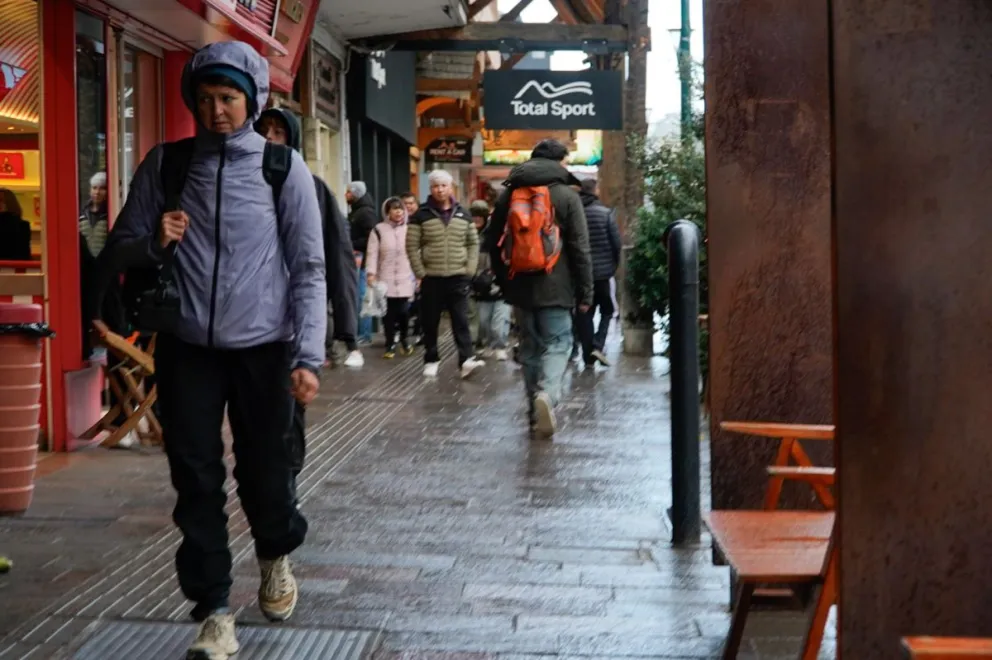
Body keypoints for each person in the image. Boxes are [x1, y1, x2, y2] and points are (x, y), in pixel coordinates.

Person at [102, 41, 326, 660]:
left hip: (264, 349)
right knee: (195, 479)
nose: (216, 110)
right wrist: (155, 239)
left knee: (267, 472)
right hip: (186, 347)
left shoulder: (283, 168)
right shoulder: (167, 165)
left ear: (251, 100)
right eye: (204, 99)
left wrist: (307, 356)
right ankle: (215, 611)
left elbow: (308, 266)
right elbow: (120, 245)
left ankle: (276, 551)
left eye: (228, 98)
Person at [489, 139, 593, 437]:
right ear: (560, 161)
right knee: (559, 343)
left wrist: (504, 282)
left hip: (520, 285)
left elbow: (494, 243)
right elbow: (580, 249)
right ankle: (548, 394)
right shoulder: (567, 196)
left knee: (531, 347)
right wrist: (585, 293)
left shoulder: (509, 193)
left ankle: (534, 412)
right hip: (557, 288)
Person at [254, 108, 361, 371]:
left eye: (278, 133)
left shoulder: (312, 188)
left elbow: (336, 254)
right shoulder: (235, 181)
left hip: (291, 310)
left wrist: (345, 327)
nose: (268, 138)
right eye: (263, 130)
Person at [406, 170, 484, 379]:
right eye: (435, 186)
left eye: (443, 185)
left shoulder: (464, 213)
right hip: (432, 276)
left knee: (461, 319)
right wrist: (420, 272)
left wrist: (469, 269)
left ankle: (466, 359)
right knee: (430, 321)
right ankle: (431, 358)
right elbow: (412, 246)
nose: (439, 190)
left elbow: (473, 244)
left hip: (458, 276)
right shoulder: (420, 215)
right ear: (430, 189)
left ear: (451, 188)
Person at [576, 177, 621, 367]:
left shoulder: (576, 214)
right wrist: (612, 266)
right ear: (595, 191)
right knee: (608, 310)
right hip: (602, 274)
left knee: (584, 313)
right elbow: (616, 243)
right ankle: (598, 344)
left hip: (581, 274)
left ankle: (587, 357)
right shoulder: (605, 214)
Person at [366, 197, 415, 359]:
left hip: (405, 277)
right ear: (387, 212)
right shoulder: (378, 230)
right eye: (394, 209)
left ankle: (404, 339)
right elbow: (372, 253)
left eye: (400, 209)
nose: (398, 212)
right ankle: (389, 344)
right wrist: (371, 273)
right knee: (388, 314)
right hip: (385, 278)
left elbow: (416, 252)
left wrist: (419, 274)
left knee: (404, 312)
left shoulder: (409, 229)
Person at [470, 200, 510, 361]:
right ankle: (486, 344)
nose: (476, 220)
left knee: (499, 321)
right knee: (484, 321)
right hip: (478, 284)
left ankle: (500, 345)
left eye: (480, 216)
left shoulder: (495, 233)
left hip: (498, 282)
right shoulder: (467, 233)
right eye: (474, 216)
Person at [79, 172, 110, 360]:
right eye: (94, 188)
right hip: (83, 270)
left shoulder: (110, 214)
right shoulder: (81, 213)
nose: (97, 192)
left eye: (102, 188)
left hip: (105, 269)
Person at [346, 181, 377, 347]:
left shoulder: (365, 213)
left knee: (362, 296)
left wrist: (352, 244)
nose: (346, 195)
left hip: (363, 260)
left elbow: (371, 238)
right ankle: (361, 332)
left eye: (349, 192)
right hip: (358, 259)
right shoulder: (358, 211)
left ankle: (364, 334)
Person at [400, 191, 423, 342]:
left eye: (411, 203)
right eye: (405, 203)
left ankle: (419, 331)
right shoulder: (396, 222)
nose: (408, 206)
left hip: (419, 265)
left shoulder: (422, 220)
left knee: (421, 301)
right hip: (401, 267)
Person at [0, 189, 31, 261]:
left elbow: (23, 253)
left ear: (9, 203)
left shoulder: (21, 226)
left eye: (1, 200)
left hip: (12, 268)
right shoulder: (23, 225)